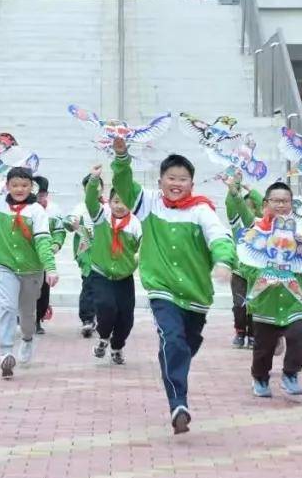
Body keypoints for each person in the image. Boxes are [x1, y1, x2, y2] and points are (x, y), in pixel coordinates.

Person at [110, 137, 236, 434]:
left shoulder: (202, 209)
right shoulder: (149, 203)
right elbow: (124, 184)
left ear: (192, 183)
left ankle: (174, 358)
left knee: (183, 345)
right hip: (162, 288)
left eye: (183, 179)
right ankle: (178, 402)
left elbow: (219, 236)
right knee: (173, 339)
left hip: (195, 294)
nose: (176, 184)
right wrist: (121, 156)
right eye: (171, 178)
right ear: (161, 180)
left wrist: (223, 261)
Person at [0, 166, 58, 380]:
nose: (20, 189)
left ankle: (27, 339)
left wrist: (50, 267)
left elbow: (43, 240)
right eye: (15, 185)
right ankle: (6, 352)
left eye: (25, 185)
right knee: (7, 306)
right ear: (7, 186)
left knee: (27, 313)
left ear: (31, 187)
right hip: (5, 266)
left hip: (32, 270)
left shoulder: (37, 210)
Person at [243, 181, 302, 398]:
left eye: (286, 201)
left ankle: (291, 374)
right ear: (266, 203)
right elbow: (243, 264)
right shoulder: (256, 231)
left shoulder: (300, 231)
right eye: (276, 201)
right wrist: (264, 276)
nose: (281, 205)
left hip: (292, 298)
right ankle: (260, 379)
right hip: (265, 302)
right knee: (263, 348)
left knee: (300, 336)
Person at [84, 164, 141, 365]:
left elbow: (146, 246)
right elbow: (90, 200)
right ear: (110, 201)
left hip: (124, 277)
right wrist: (93, 180)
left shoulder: (136, 223)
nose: (119, 206)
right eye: (116, 201)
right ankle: (103, 337)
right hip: (101, 273)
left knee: (126, 318)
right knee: (106, 307)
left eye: (125, 202)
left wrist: (139, 256)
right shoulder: (102, 216)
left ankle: (117, 347)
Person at [223, 171, 262, 351]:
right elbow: (231, 203)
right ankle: (240, 333)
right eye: (245, 206)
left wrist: (253, 191)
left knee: (254, 305)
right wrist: (235, 185)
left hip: (257, 272)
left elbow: (266, 206)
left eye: (252, 207)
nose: (248, 210)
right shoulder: (236, 223)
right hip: (239, 271)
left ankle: (254, 335)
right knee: (239, 304)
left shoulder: (262, 225)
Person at [32, 176, 66, 334]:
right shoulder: (26, 208)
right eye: (38, 194)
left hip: (44, 256)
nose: (40, 197)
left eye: (43, 194)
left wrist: (56, 244)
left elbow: (59, 231)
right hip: (26, 256)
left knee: (43, 291)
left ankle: (38, 319)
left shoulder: (54, 210)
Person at [67, 173, 98, 337]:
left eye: (97, 186)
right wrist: (72, 224)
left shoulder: (108, 206)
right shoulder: (79, 208)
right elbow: (69, 222)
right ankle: (87, 319)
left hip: (104, 251)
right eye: (90, 187)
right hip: (86, 250)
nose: (94, 190)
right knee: (89, 282)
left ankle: (102, 317)